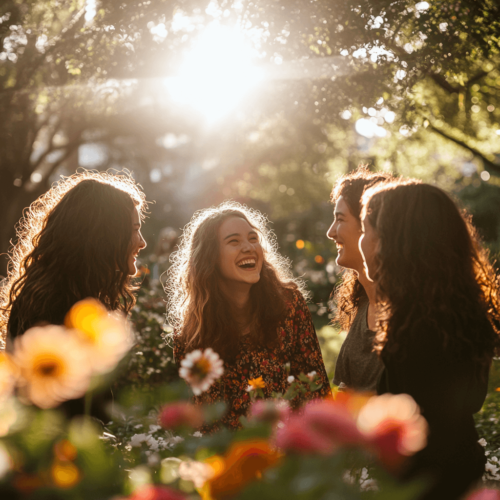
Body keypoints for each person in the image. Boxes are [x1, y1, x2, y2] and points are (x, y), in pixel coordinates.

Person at [360, 180, 500, 499]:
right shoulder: (455, 314)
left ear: (391, 242)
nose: (361, 241)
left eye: (366, 228)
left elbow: (420, 430)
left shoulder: (418, 329)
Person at [166, 201, 331, 431]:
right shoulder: (191, 332)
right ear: (210, 258)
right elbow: (200, 420)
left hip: (289, 453)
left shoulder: (289, 304)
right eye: (234, 241)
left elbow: (316, 388)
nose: (248, 247)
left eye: (253, 238)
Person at [0, 170, 147, 346]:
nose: (142, 243)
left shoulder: (67, 295)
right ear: (104, 236)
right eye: (134, 229)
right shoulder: (56, 312)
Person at [327, 166, 393, 391]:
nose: (331, 232)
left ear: (369, 226)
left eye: (340, 219)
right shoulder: (364, 307)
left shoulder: (411, 313)